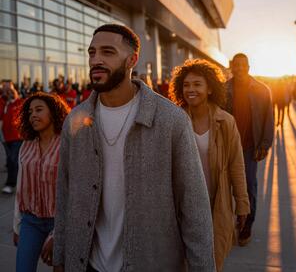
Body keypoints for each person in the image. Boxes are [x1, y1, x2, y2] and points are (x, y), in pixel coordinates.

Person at [53, 24, 215, 272]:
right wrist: (61, 259)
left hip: (151, 262)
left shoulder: (170, 120)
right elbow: (65, 195)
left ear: (132, 60)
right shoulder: (75, 121)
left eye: (107, 52)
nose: (96, 60)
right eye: (92, 52)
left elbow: (194, 208)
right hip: (89, 264)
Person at [169, 59, 250, 271]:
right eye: (186, 85)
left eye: (197, 84)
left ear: (210, 89)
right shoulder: (174, 121)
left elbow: (237, 166)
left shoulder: (226, 122)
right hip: (182, 204)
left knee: (213, 260)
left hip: (217, 202)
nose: (190, 89)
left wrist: (242, 205)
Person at [13, 92, 70, 272]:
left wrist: (58, 233)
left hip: (59, 221)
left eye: (39, 110)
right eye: (30, 112)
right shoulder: (27, 144)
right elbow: (21, 186)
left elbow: (73, 190)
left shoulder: (67, 144)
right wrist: (17, 226)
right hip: (31, 221)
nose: (33, 115)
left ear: (53, 112)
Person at [225, 53, 274, 246]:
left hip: (249, 148)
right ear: (231, 66)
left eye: (242, 65)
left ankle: (247, 225)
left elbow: (268, 120)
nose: (239, 68)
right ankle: (234, 219)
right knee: (225, 187)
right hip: (227, 146)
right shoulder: (223, 89)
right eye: (235, 65)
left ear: (248, 66)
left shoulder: (262, 90)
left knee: (249, 187)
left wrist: (264, 145)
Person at [0, 81, 23, 194]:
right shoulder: (2, 102)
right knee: (10, 160)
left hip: (17, 136)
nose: (8, 92)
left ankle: (10, 184)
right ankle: (20, 181)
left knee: (13, 159)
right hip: (5, 137)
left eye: (10, 89)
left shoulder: (19, 102)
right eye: (5, 89)